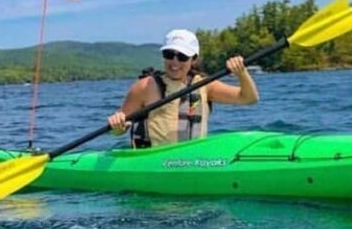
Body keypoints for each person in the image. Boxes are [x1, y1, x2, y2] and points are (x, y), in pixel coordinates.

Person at [107, 29, 259, 148]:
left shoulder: (205, 85)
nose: (174, 62)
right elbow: (120, 129)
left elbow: (249, 98)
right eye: (169, 54)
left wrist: (242, 73)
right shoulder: (144, 86)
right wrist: (117, 125)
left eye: (182, 57)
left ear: (193, 59)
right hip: (153, 162)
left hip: (193, 160)